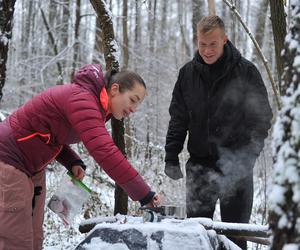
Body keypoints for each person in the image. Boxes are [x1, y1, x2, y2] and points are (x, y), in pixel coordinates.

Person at [0, 64, 161, 250]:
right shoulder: (83, 99)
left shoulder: (93, 104)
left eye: (137, 104)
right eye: (133, 100)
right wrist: (144, 194)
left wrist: (72, 160)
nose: (134, 109)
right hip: (9, 160)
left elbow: (46, 133)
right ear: (115, 89)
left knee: (35, 236)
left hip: (31, 165)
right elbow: (105, 151)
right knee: (16, 240)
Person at [164, 16, 272, 249]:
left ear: (225, 40)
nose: (207, 50)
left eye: (213, 43)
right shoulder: (187, 75)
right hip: (199, 167)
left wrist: (248, 157)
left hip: (238, 169)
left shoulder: (246, 72)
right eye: (202, 44)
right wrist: (171, 155)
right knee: (195, 236)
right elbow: (179, 119)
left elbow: (262, 118)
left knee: (234, 239)